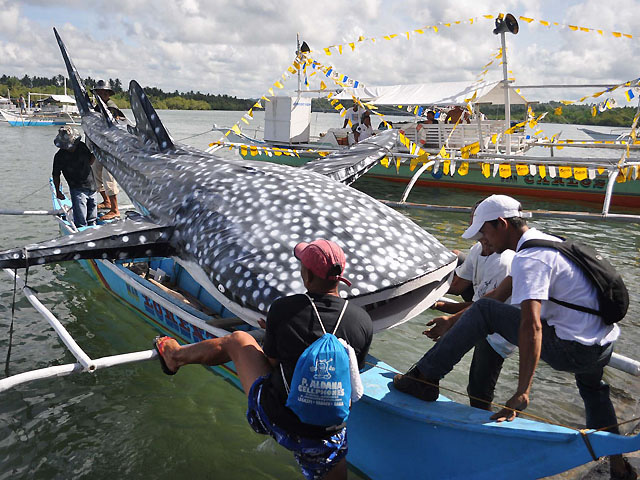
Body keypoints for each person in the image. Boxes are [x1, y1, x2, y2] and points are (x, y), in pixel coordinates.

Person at [393, 194, 635, 479]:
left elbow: (530, 325)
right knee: (594, 392)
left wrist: (523, 391)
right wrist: (453, 322)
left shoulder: (529, 259)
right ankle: (619, 466)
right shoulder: (548, 241)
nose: (483, 240)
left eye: (484, 232)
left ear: (501, 224)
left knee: (484, 310)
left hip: (572, 350)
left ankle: (424, 379)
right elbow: (498, 296)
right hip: (601, 343)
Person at [154, 239, 373, 480]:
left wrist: (274, 331)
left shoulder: (284, 309)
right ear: (339, 276)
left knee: (237, 340)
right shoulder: (362, 320)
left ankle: (174, 357)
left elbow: (271, 363)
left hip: (279, 417)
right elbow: (351, 373)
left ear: (308, 276)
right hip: (326, 433)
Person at [431, 233, 516, 410]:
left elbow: (479, 310)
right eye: (480, 237)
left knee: (478, 389)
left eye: (488, 241)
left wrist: (443, 311)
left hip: (500, 329)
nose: (484, 245)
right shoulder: (478, 248)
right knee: (455, 256)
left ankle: (483, 418)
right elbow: (457, 287)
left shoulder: (504, 263)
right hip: (483, 304)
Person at [52, 126, 97, 228]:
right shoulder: (59, 156)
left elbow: (90, 161)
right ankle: (82, 234)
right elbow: (56, 175)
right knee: (81, 221)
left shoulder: (81, 146)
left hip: (92, 186)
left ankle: (93, 228)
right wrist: (58, 191)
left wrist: (96, 152)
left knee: (92, 218)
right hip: (77, 189)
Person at [91, 80, 121, 220]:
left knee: (108, 177)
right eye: (99, 92)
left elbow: (115, 122)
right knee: (96, 172)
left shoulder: (110, 107)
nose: (102, 94)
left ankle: (115, 209)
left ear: (108, 94)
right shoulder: (97, 106)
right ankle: (106, 201)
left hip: (109, 148)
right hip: (98, 146)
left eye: (104, 92)